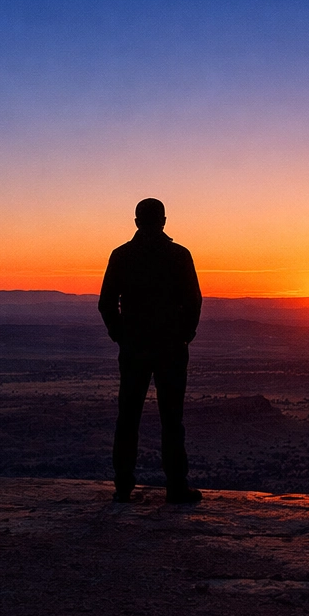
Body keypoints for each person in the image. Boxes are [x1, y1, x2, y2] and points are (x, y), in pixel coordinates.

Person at [99, 197, 204, 504]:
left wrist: (121, 336)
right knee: (172, 418)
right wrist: (184, 336)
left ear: (136, 222)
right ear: (164, 221)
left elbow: (106, 303)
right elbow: (194, 300)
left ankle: (123, 486)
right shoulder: (178, 254)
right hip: (170, 347)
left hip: (135, 347)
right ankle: (176, 486)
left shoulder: (122, 255)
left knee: (128, 416)